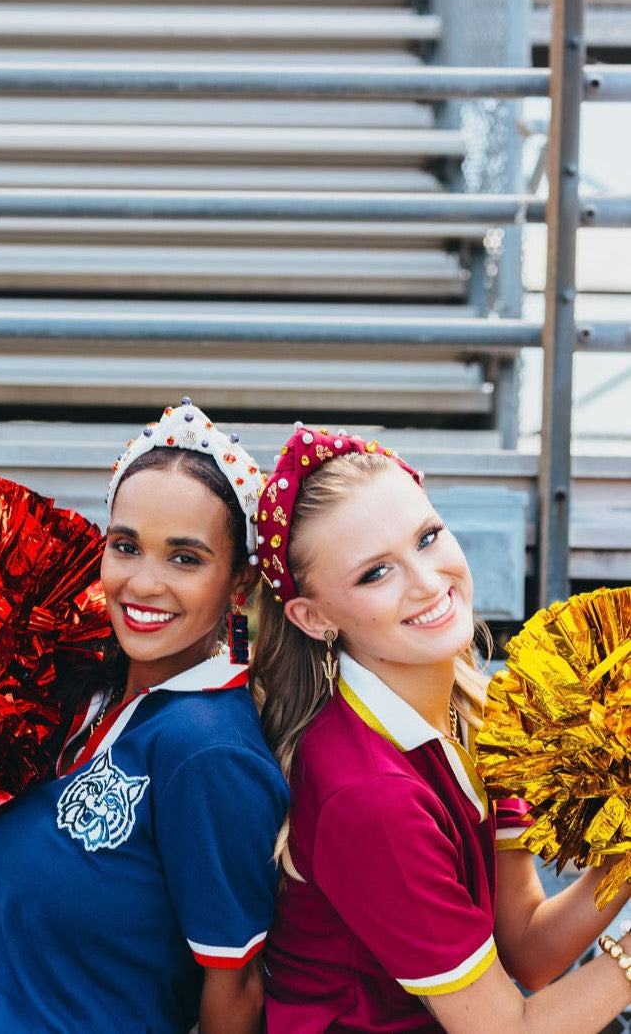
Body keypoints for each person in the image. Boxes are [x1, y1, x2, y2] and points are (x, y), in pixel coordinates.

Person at [250, 422, 631, 1034]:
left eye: (428, 537)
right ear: (312, 616)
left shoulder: (477, 709)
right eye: (376, 573)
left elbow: (526, 951)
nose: (428, 581)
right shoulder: (369, 797)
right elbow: (509, 1029)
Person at [0, 399, 289, 1034]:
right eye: (126, 546)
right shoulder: (66, 683)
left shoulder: (210, 752)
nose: (143, 583)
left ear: (239, 584)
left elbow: (238, 991)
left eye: (184, 558)